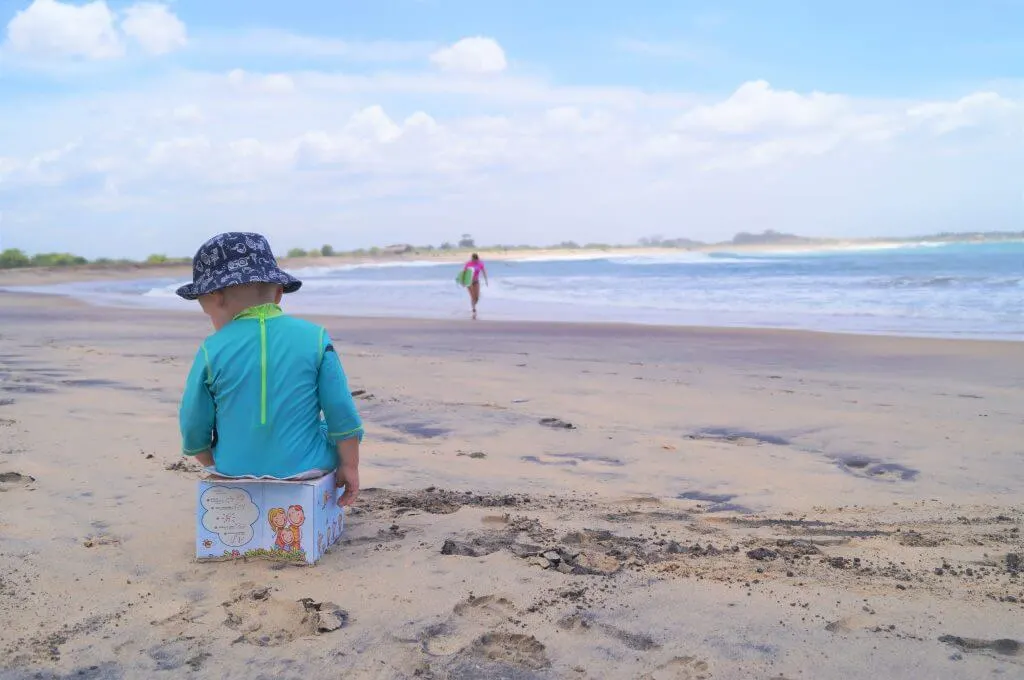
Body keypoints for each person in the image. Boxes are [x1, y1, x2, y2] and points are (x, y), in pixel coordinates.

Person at [176, 232, 363, 507]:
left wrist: (212, 460)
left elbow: (193, 420)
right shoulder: (316, 338)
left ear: (215, 297)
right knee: (326, 426)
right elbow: (341, 412)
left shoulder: (210, 349)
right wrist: (350, 465)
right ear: (278, 293)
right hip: (305, 468)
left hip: (232, 469)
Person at [462, 253, 488, 319]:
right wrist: (463, 281)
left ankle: (473, 305)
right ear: (472, 258)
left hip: (476, 281)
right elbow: (464, 273)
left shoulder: (480, 263)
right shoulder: (468, 264)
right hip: (469, 281)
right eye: (473, 259)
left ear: (477, 259)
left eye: (475, 260)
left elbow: (484, 271)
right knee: (473, 296)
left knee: (477, 297)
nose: (474, 261)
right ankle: (473, 309)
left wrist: (486, 280)